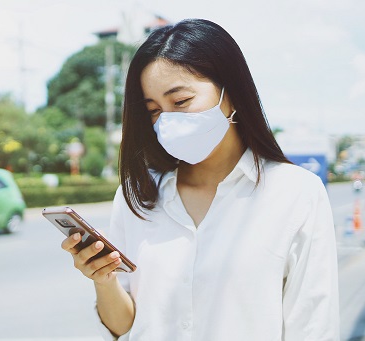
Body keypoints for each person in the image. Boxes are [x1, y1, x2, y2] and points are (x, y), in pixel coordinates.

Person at [61, 18, 339, 340]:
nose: (167, 121)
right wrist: (103, 279)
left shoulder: (296, 193)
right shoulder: (136, 196)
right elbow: (124, 327)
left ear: (231, 93)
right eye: (154, 110)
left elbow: (313, 326)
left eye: (180, 101)